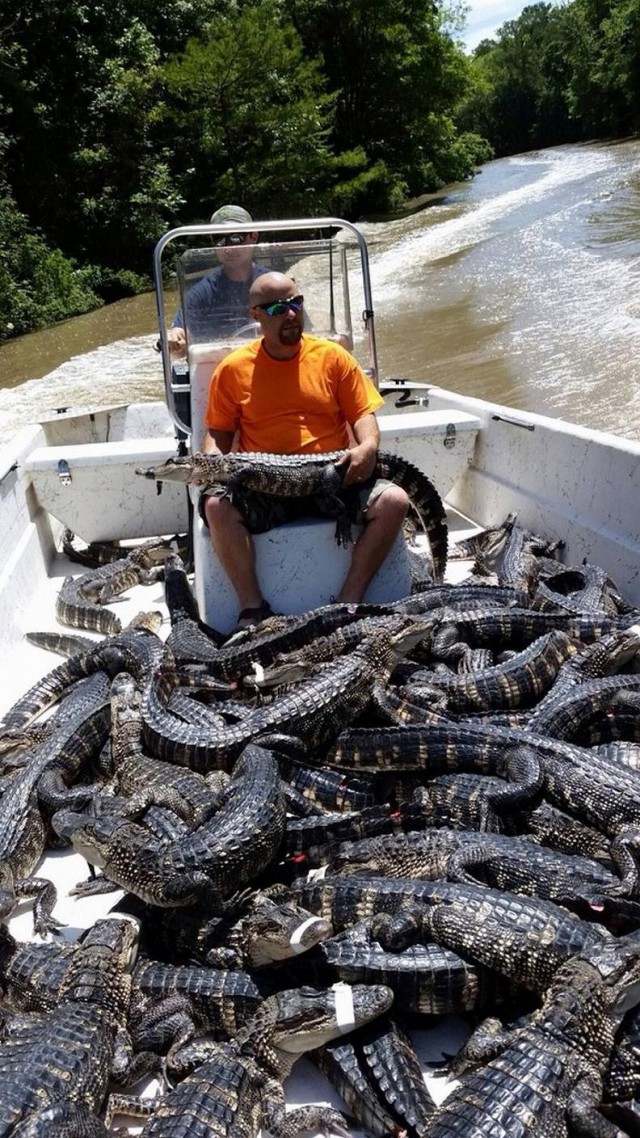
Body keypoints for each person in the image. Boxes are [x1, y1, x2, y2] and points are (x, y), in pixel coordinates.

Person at [201, 271, 409, 629]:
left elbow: (363, 415)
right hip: (265, 484)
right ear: (256, 316)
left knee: (395, 501)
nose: (291, 314)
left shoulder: (333, 358)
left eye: (296, 303)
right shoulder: (232, 370)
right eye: (279, 308)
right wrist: (212, 466)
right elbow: (218, 435)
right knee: (217, 506)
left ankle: (348, 603)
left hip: (330, 475)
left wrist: (369, 447)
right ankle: (253, 609)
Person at [167, 204, 268, 358]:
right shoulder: (200, 293)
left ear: (253, 237)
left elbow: (300, 329)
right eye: (220, 240)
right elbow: (181, 331)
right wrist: (175, 338)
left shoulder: (274, 286)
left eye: (236, 238)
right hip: (219, 370)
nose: (227, 248)